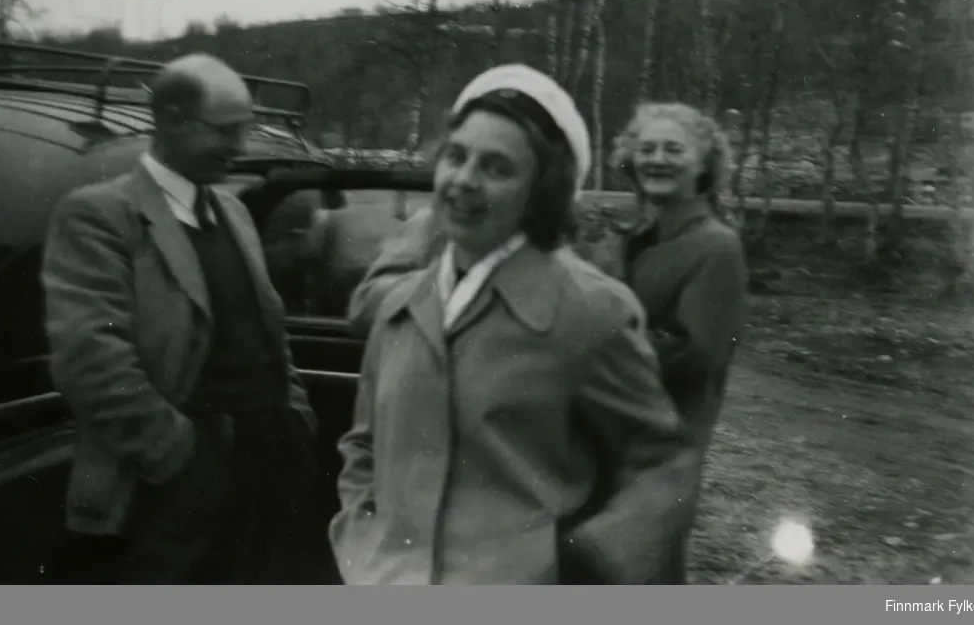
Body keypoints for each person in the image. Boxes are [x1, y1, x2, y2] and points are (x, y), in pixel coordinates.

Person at [329, 64, 699, 585]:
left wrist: (589, 561)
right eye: (456, 157)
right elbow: (364, 445)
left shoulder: (588, 309)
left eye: (497, 168)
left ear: (540, 192)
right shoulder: (402, 304)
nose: (463, 181)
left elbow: (664, 464)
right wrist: (361, 543)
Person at [41, 53, 324, 584]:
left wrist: (295, 417)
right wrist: (181, 460)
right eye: (227, 131)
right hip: (172, 489)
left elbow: (266, 330)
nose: (240, 147)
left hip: (266, 469)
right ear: (172, 121)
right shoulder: (101, 215)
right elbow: (91, 360)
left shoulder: (234, 210)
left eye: (245, 129)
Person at [608, 101, 750, 584]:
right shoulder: (632, 237)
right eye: (646, 148)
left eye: (674, 149)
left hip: (666, 448)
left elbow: (696, 354)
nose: (657, 159)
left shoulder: (717, 247)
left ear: (704, 164)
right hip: (607, 439)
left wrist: (592, 344)